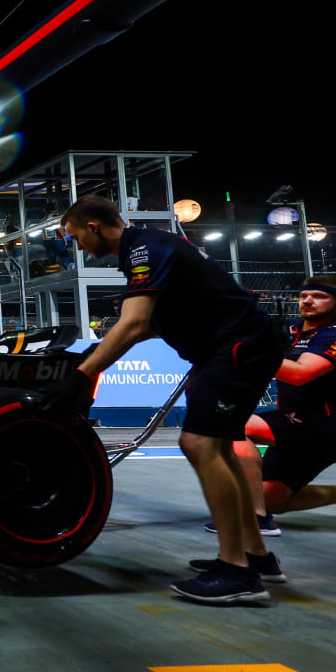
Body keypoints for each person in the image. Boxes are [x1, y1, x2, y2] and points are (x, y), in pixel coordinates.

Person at [50, 195, 283, 605]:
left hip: (237, 347)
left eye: (75, 238)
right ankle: (255, 557)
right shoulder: (144, 250)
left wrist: (83, 376)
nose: (78, 247)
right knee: (222, 450)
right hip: (230, 348)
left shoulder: (144, 248)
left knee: (198, 444)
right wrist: (86, 365)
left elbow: (134, 323)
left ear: (93, 227)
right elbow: (143, 328)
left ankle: (237, 572)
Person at [199, 275, 336, 553]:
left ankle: (256, 517)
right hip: (296, 423)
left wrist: (247, 355)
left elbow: (301, 374)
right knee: (272, 498)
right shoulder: (291, 332)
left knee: (232, 425)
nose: (308, 301)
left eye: (319, 296)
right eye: (304, 296)